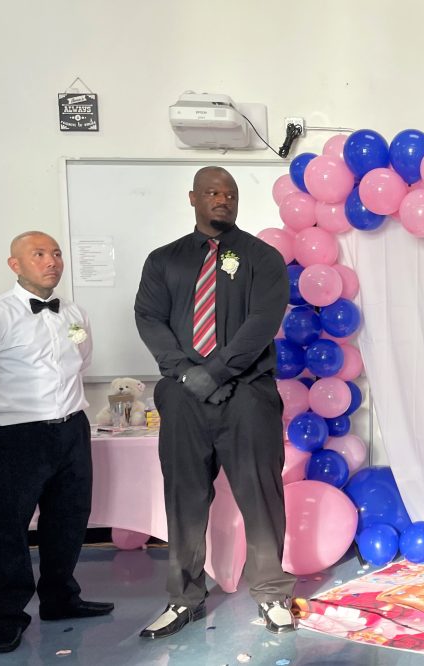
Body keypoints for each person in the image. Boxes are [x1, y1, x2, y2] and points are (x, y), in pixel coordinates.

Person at [135, 166, 295, 639]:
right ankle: (183, 597)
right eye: (211, 192)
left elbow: (263, 320)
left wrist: (217, 373)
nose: (222, 199)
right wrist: (189, 374)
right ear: (193, 199)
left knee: (261, 496)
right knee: (184, 497)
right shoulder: (164, 260)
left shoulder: (263, 258)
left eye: (229, 193)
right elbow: (149, 318)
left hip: (248, 393)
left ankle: (271, 594)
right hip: (183, 396)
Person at [0, 232, 112, 654]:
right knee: (11, 530)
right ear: (15, 264)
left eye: (56, 253)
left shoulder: (74, 313)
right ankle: (8, 616)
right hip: (15, 436)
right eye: (39, 254)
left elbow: (83, 359)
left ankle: (60, 600)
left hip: (72, 429)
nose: (52, 261)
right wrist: (8, 413)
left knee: (69, 520)